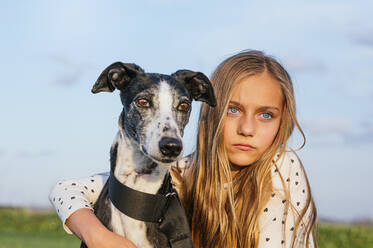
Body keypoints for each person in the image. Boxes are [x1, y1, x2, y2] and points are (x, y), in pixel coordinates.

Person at [49, 50, 317, 248]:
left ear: (284, 120)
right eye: (233, 110)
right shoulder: (179, 171)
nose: (247, 128)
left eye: (266, 115)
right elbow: (66, 189)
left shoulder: (283, 167)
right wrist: (97, 236)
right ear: (211, 111)